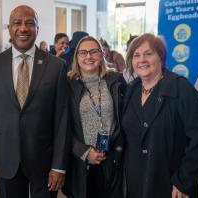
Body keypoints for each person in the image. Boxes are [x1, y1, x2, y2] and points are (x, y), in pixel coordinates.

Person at [0, 5, 69, 198]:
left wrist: (59, 166)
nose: (23, 28)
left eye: (30, 23)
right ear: (9, 28)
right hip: (5, 161)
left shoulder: (57, 66)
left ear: (37, 28)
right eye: (17, 23)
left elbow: (62, 120)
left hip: (44, 162)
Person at [122, 33, 198, 198]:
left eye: (148, 53)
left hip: (170, 184)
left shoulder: (181, 89)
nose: (142, 59)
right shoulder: (131, 90)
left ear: (161, 57)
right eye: (136, 55)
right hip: (134, 182)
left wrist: (183, 182)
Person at [63, 36, 126, 198]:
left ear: (101, 54)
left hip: (113, 159)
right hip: (82, 163)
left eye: (93, 52)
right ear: (77, 57)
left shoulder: (116, 80)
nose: (88, 57)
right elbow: (61, 128)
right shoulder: (67, 85)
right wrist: (83, 152)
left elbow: (125, 118)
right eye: (83, 53)